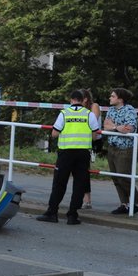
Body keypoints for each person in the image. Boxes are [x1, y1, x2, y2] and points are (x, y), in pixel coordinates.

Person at [37, 89, 100, 225]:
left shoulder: (64, 113)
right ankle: (72, 215)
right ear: (83, 100)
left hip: (66, 153)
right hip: (83, 153)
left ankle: (52, 212)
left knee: (59, 183)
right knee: (79, 184)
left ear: (71, 100)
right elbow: (95, 135)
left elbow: (54, 133)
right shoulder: (89, 114)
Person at [104, 87, 138, 215]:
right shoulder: (111, 110)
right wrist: (117, 127)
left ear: (120, 99)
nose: (110, 98)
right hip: (112, 146)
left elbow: (129, 129)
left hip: (125, 148)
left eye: (112, 96)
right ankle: (124, 204)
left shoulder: (130, 110)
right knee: (116, 178)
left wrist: (113, 127)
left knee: (124, 177)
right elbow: (105, 126)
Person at [80, 88, 102, 209]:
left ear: (85, 99)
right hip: (82, 140)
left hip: (93, 141)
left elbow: (91, 121)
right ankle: (83, 198)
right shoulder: (80, 108)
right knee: (81, 170)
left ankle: (87, 199)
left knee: (84, 169)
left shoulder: (94, 106)